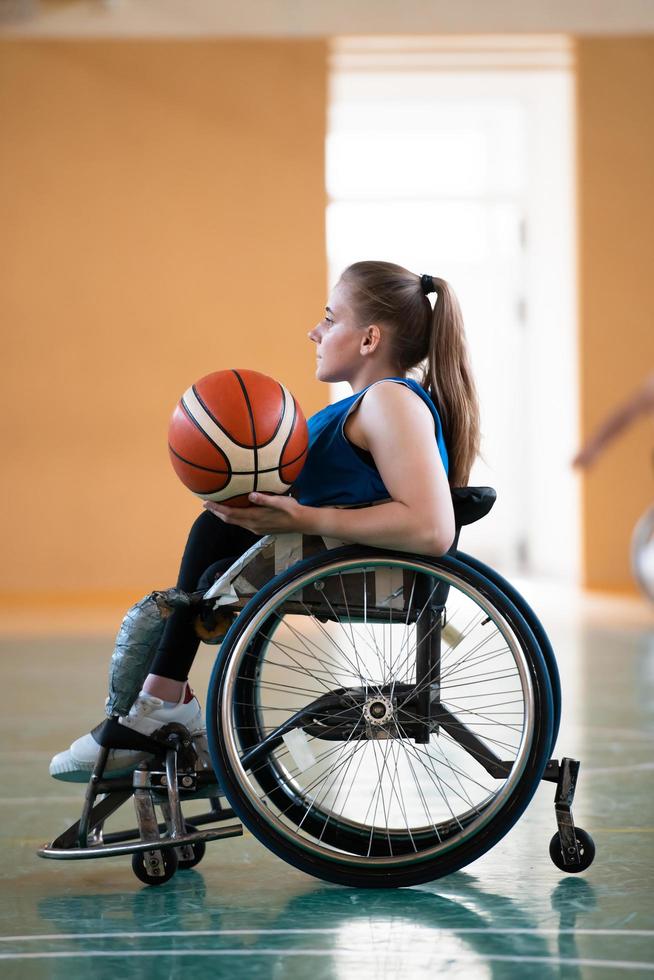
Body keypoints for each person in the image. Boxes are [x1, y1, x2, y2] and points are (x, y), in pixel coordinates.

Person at [50, 261, 481, 781]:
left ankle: (159, 704)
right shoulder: (368, 406)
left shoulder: (391, 401)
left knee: (211, 567)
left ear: (369, 338)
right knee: (212, 556)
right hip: (328, 562)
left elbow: (432, 530)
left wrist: (300, 515)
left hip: (367, 573)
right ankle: (162, 700)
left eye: (329, 318)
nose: (314, 331)